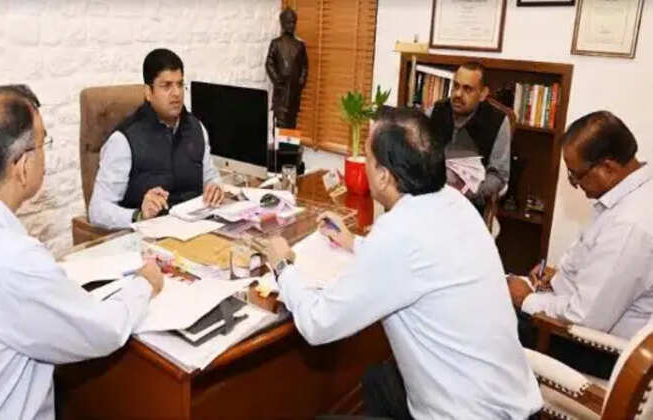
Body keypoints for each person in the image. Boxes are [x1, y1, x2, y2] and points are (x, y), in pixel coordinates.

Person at [265, 107, 541, 419]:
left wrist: (282, 267)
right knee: (376, 380)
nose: (363, 164)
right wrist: (353, 242)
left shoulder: (399, 232)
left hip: (469, 414)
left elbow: (318, 324)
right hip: (506, 400)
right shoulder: (456, 203)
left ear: (384, 175)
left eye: (367, 157)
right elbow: (418, 262)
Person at [0, 85, 164, 419]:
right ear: (22, 165)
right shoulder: (13, 259)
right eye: (43, 143)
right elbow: (101, 330)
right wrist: (144, 284)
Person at [507, 111, 653, 377]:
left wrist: (526, 299)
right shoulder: (632, 195)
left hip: (597, 350)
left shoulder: (630, 224)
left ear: (608, 168)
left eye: (576, 175)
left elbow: (584, 318)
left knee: (486, 318)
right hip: (582, 322)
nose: (573, 184)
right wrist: (558, 278)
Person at [89, 48, 225, 229]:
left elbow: (211, 177)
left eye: (180, 84)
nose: (176, 93)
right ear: (148, 92)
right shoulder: (123, 140)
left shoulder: (196, 128)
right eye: (166, 86)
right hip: (149, 236)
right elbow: (97, 210)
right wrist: (139, 215)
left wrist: (215, 187)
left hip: (197, 228)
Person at [428, 62, 511, 208]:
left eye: (467, 89)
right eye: (456, 86)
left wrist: (469, 192)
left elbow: (498, 175)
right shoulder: (435, 111)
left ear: (483, 94)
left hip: (470, 203)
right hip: (432, 197)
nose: (458, 94)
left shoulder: (498, 121)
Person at [265, 7, 308, 129]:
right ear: (282, 23)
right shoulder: (276, 43)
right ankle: (280, 141)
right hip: (281, 92)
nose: (291, 25)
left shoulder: (300, 45)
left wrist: (301, 82)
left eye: (293, 22)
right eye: (288, 22)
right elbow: (269, 63)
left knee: (292, 123)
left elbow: (305, 66)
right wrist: (277, 80)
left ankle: (289, 142)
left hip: (294, 92)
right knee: (280, 124)